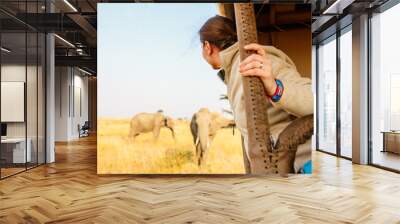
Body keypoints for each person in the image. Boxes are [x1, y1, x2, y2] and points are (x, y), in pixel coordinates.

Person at [198, 15, 313, 174]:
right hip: (277, 170)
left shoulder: (256, 60)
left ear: (207, 46)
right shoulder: (233, 70)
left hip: (301, 165)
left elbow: (313, 98)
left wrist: (275, 88)